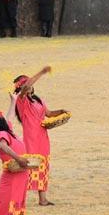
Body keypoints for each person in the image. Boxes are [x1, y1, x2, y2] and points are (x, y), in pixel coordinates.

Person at [13, 66, 68, 206]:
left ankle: (42, 199)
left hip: (42, 137)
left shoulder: (39, 100)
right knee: (28, 168)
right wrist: (42, 72)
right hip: (30, 140)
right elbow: (25, 87)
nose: (29, 87)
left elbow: (48, 114)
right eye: (26, 84)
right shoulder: (21, 101)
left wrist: (61, 111)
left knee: (43, 167)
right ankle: (19, 199)